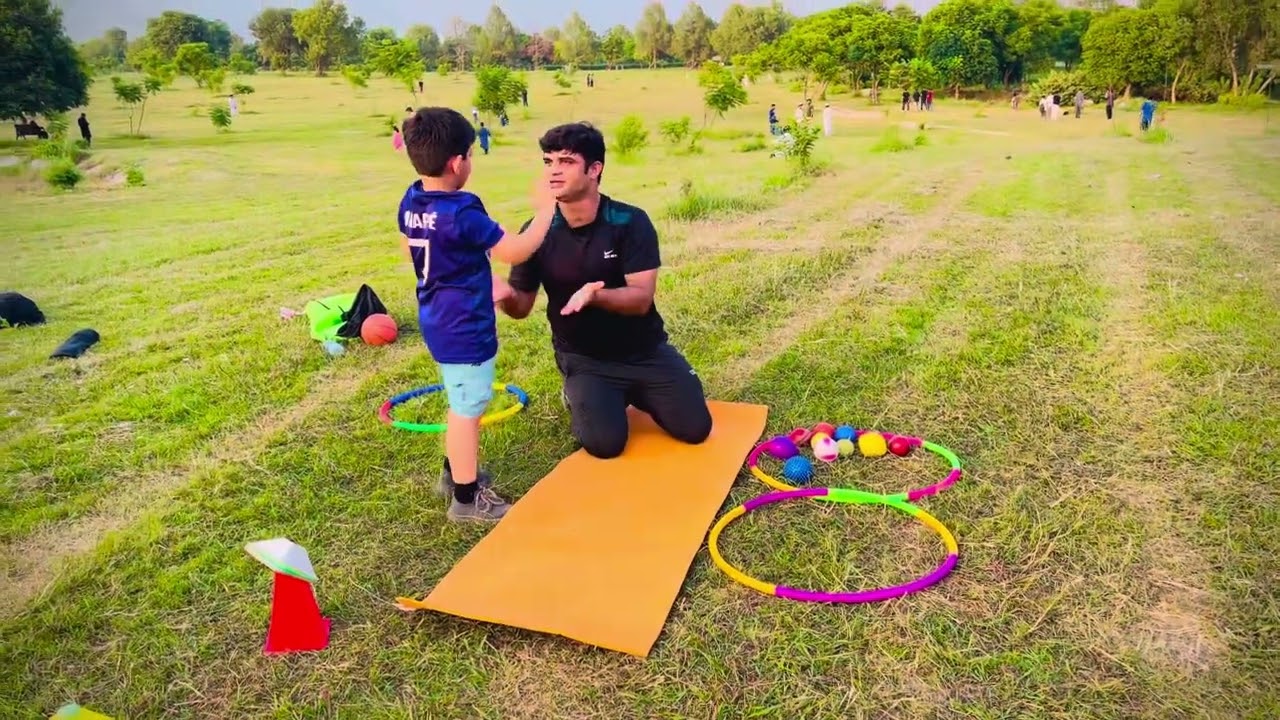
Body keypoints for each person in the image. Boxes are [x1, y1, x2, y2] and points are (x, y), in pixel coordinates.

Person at [499, 122, 712, 459]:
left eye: (566, 162)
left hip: (645, 351)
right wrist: (503, 295)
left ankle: (641, 392)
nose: (553, 172)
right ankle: (580, 391)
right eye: (548, 162)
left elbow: (641, 299)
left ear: (594, 169)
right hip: (585, 359)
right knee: (605, 445)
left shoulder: (629, 221)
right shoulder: (537, 230)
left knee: (695, 429)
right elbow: (521, 306)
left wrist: (596, 295)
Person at [397, 107, 555, 522]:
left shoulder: (412, 198)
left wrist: (471, 281)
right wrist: (545, 211)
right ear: (457, 162)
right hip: (464, 327)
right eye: (470, 154)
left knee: (461, 400)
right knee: (468, 409)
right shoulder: (462, 213)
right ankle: (467, 499)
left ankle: (454, 474)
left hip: (438, 317)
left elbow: (410, 247)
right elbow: (517, 250)